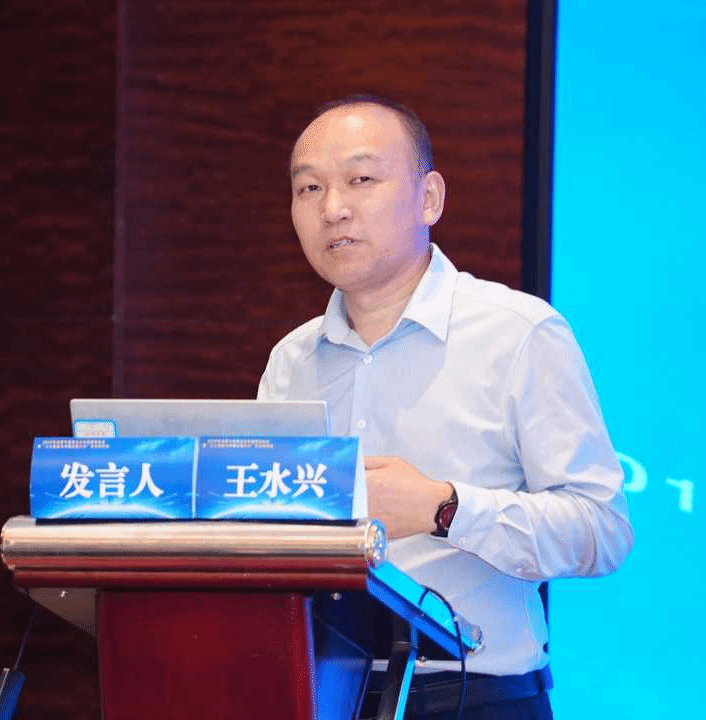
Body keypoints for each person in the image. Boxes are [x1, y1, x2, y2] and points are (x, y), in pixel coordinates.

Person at [257, 95, 634, 720]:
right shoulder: (291, 361)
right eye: (309, 188)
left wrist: (445, 508)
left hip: (474, 698)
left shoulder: (519, 333)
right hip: (322, 695)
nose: (333, 208)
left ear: (429, 198)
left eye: (361, 180)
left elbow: (601, 531)